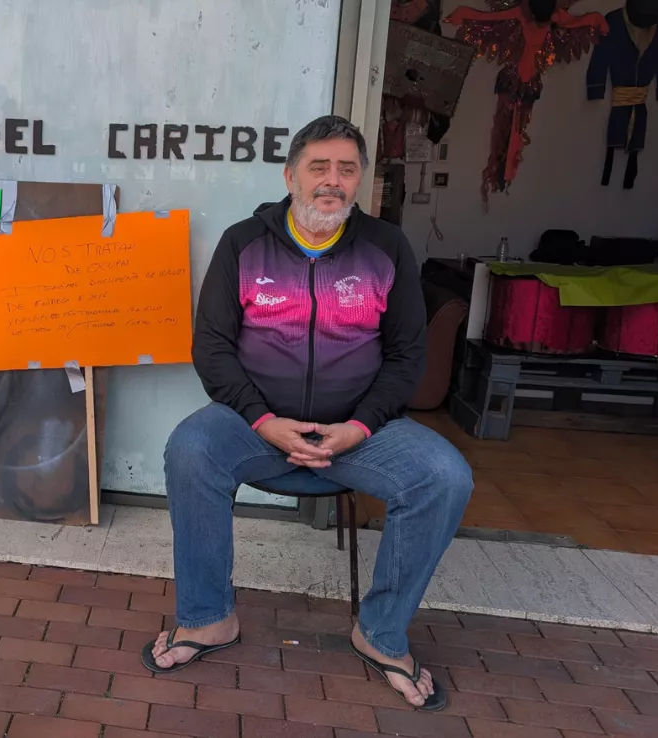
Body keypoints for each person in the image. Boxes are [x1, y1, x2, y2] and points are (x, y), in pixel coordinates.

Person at [143, 115, 472, 713]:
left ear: (360, 180)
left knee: (444, 476)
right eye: (319, 167)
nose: (332, 181)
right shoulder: (244, 243)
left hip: (359, 431)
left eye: (347, 169)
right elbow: (211, 347)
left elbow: (407, 356)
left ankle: (381, 634)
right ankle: (208, 617)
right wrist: (263, 420)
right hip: (256, 426)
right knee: (190, 450)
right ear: (290, 175)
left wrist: (359, 427)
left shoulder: (387, 248)